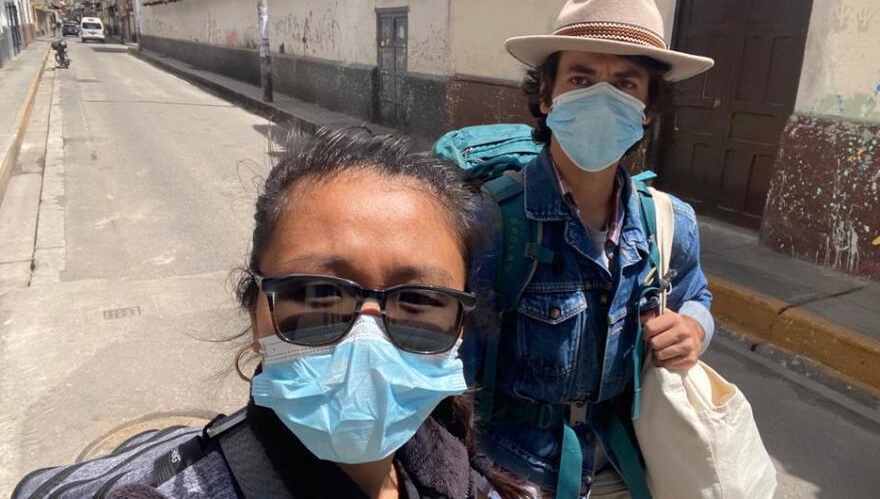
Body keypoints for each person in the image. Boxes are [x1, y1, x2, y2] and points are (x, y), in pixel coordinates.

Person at [13, 128, 527, 499]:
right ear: (256, 311)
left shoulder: (473, 481)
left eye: (418, 299)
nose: (367, 341)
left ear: (461, 330)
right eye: (319, 293)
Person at [464, 0, 717, 498]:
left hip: (627, 465)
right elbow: (452, 369)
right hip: (511, 474)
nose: (603, 96)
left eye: (625, 83)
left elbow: (696, 294)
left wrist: (694, 328)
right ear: (545, 95)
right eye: (581, 79)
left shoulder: (669, 222)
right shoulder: (491, 221)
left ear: (647, 108)